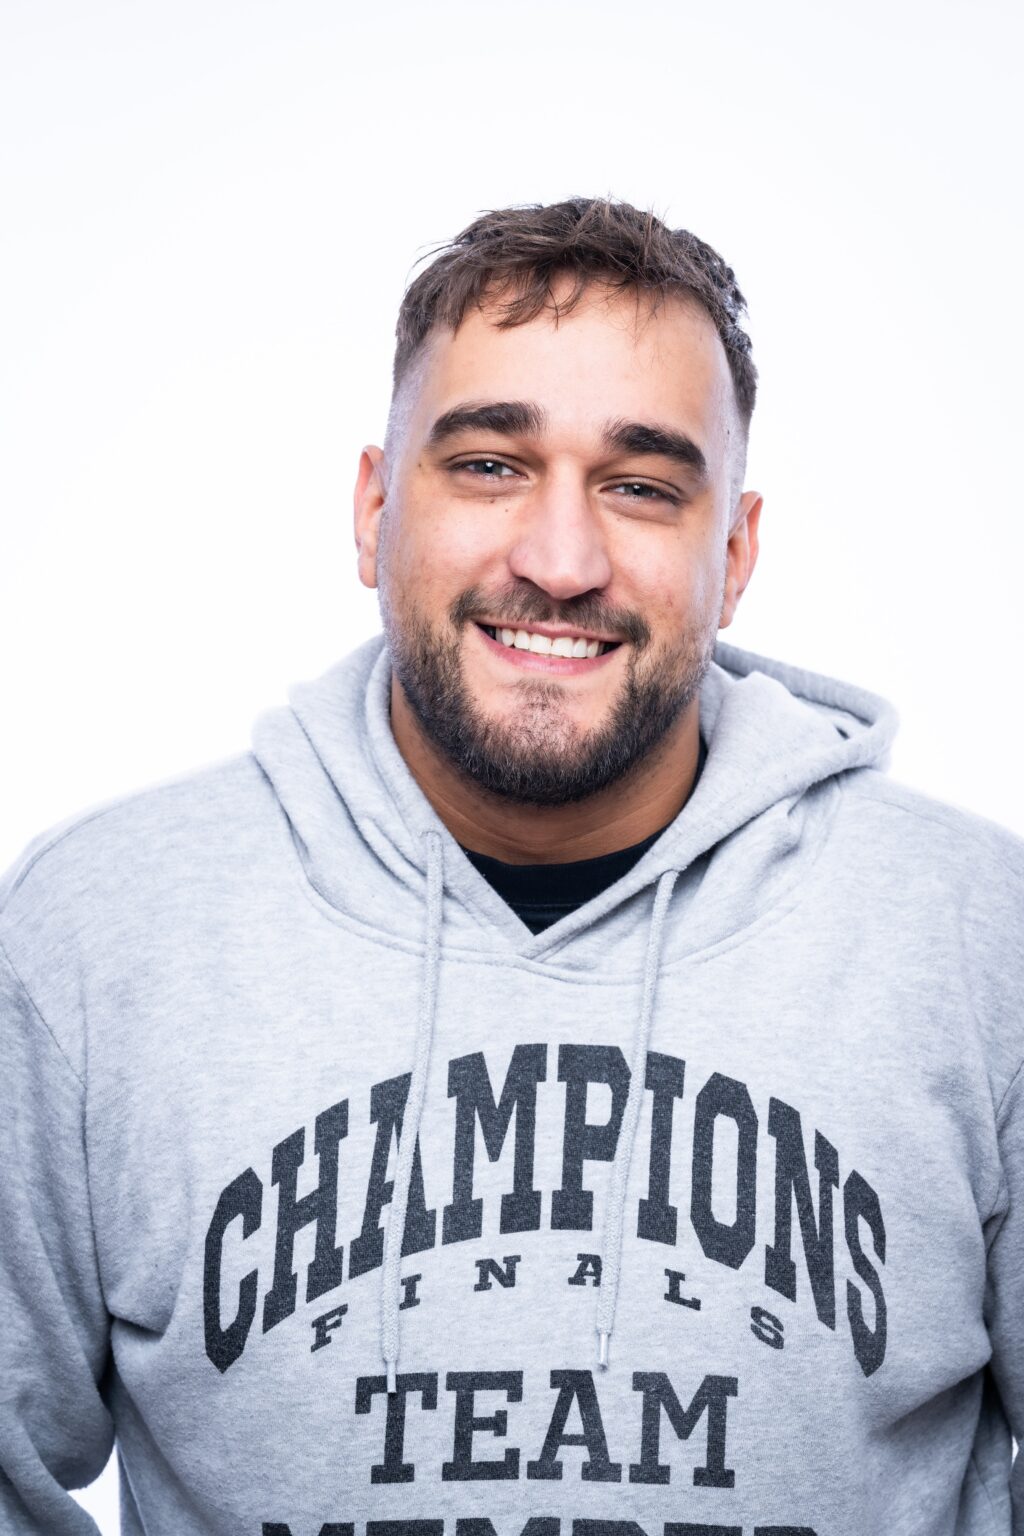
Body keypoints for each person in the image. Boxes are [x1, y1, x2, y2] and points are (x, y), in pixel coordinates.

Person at [1, 196, 1022, 1536]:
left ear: (735, 553)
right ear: (375, 510)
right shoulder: (98, 939)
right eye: (490, 465)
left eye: (640, 485)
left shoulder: (976, 942)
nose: (560, 560)